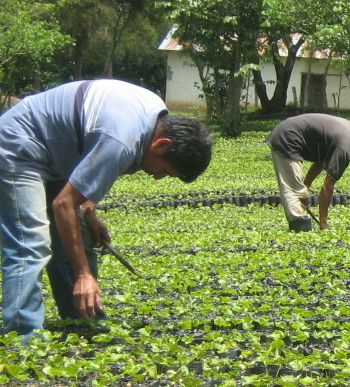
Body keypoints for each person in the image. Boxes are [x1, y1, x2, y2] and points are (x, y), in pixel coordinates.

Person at [0, 79, 212, 339]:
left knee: (79, 232)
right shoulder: (122, 139)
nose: (157, 177)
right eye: (165, 171)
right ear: (162, 144)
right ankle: (23, 332)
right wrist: (83, 274)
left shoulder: (154, 118)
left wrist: (89, 212)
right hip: (19, 145)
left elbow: (91, 162)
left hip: (57, 154)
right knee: (30, 241)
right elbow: (64, 204)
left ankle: (82, 319)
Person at [266, 114, 350, 232]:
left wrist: (306, 186)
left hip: (288, 132)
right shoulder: (345, 147)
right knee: (294, 190)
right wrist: (323, 223)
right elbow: (328, 186)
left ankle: (300, 224)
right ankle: (300, 228)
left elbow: (320, 161)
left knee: (300, 190)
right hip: (287, 138)